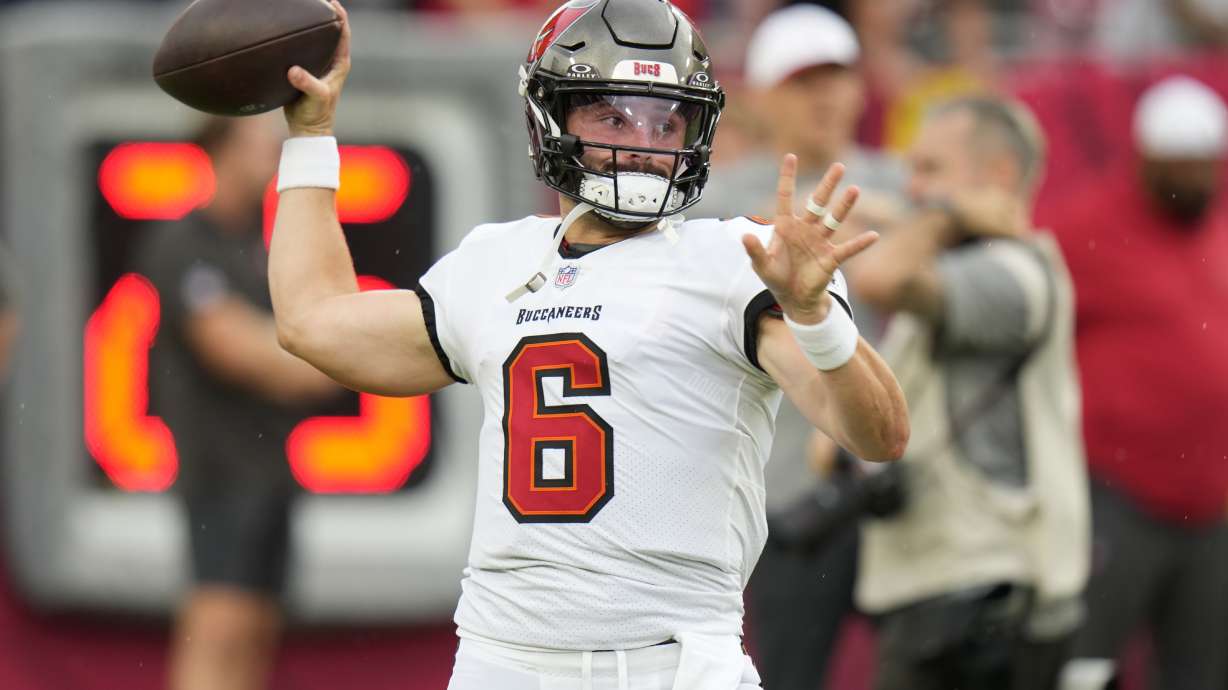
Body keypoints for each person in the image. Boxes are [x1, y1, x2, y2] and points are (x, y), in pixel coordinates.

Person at [269, 0, 909, 688]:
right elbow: (314, 321)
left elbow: (877, 435)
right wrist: (311, 134)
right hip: (501, 661)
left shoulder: (730, 258)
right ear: (553, 115)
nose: (642, 141)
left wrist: (816, 317)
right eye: (613, 116)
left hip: (668, 664)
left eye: (667, 120)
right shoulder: (497, 260)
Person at [844, 95, 1089, 690]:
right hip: (951, 591)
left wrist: (947, 212)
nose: (913, 186)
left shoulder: (1012, 272)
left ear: (999, 176)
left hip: (980, 593)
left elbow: (881, 277)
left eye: (930, 169)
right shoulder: (959, 263)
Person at [693, 6, 906, 688]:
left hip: (903, 483)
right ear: (761, 95)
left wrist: (898, 219)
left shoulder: (907, 182)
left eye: (836, 77)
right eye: (802, 81)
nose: (825, 96)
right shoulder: (717, 197)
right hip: (785, 487)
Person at [137, 114, 340, 690]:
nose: (272, 158)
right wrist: (327, 356)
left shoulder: (257, 251)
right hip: (218, 474)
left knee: (254, 632)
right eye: (259, 145)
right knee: (216, 629)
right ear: (222, 148)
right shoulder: (183, 243)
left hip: (272, 474)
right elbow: (234, 348)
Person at [1052, 75, 1228, 690]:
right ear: (1145, 158)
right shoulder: (1088, 228)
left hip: (1211, 501)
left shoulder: (1217, 228)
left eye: (1205, 162)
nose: (1195, 176)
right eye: (1180, 162)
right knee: (1085, 666)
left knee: (1201, 672)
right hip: (1116, 491)